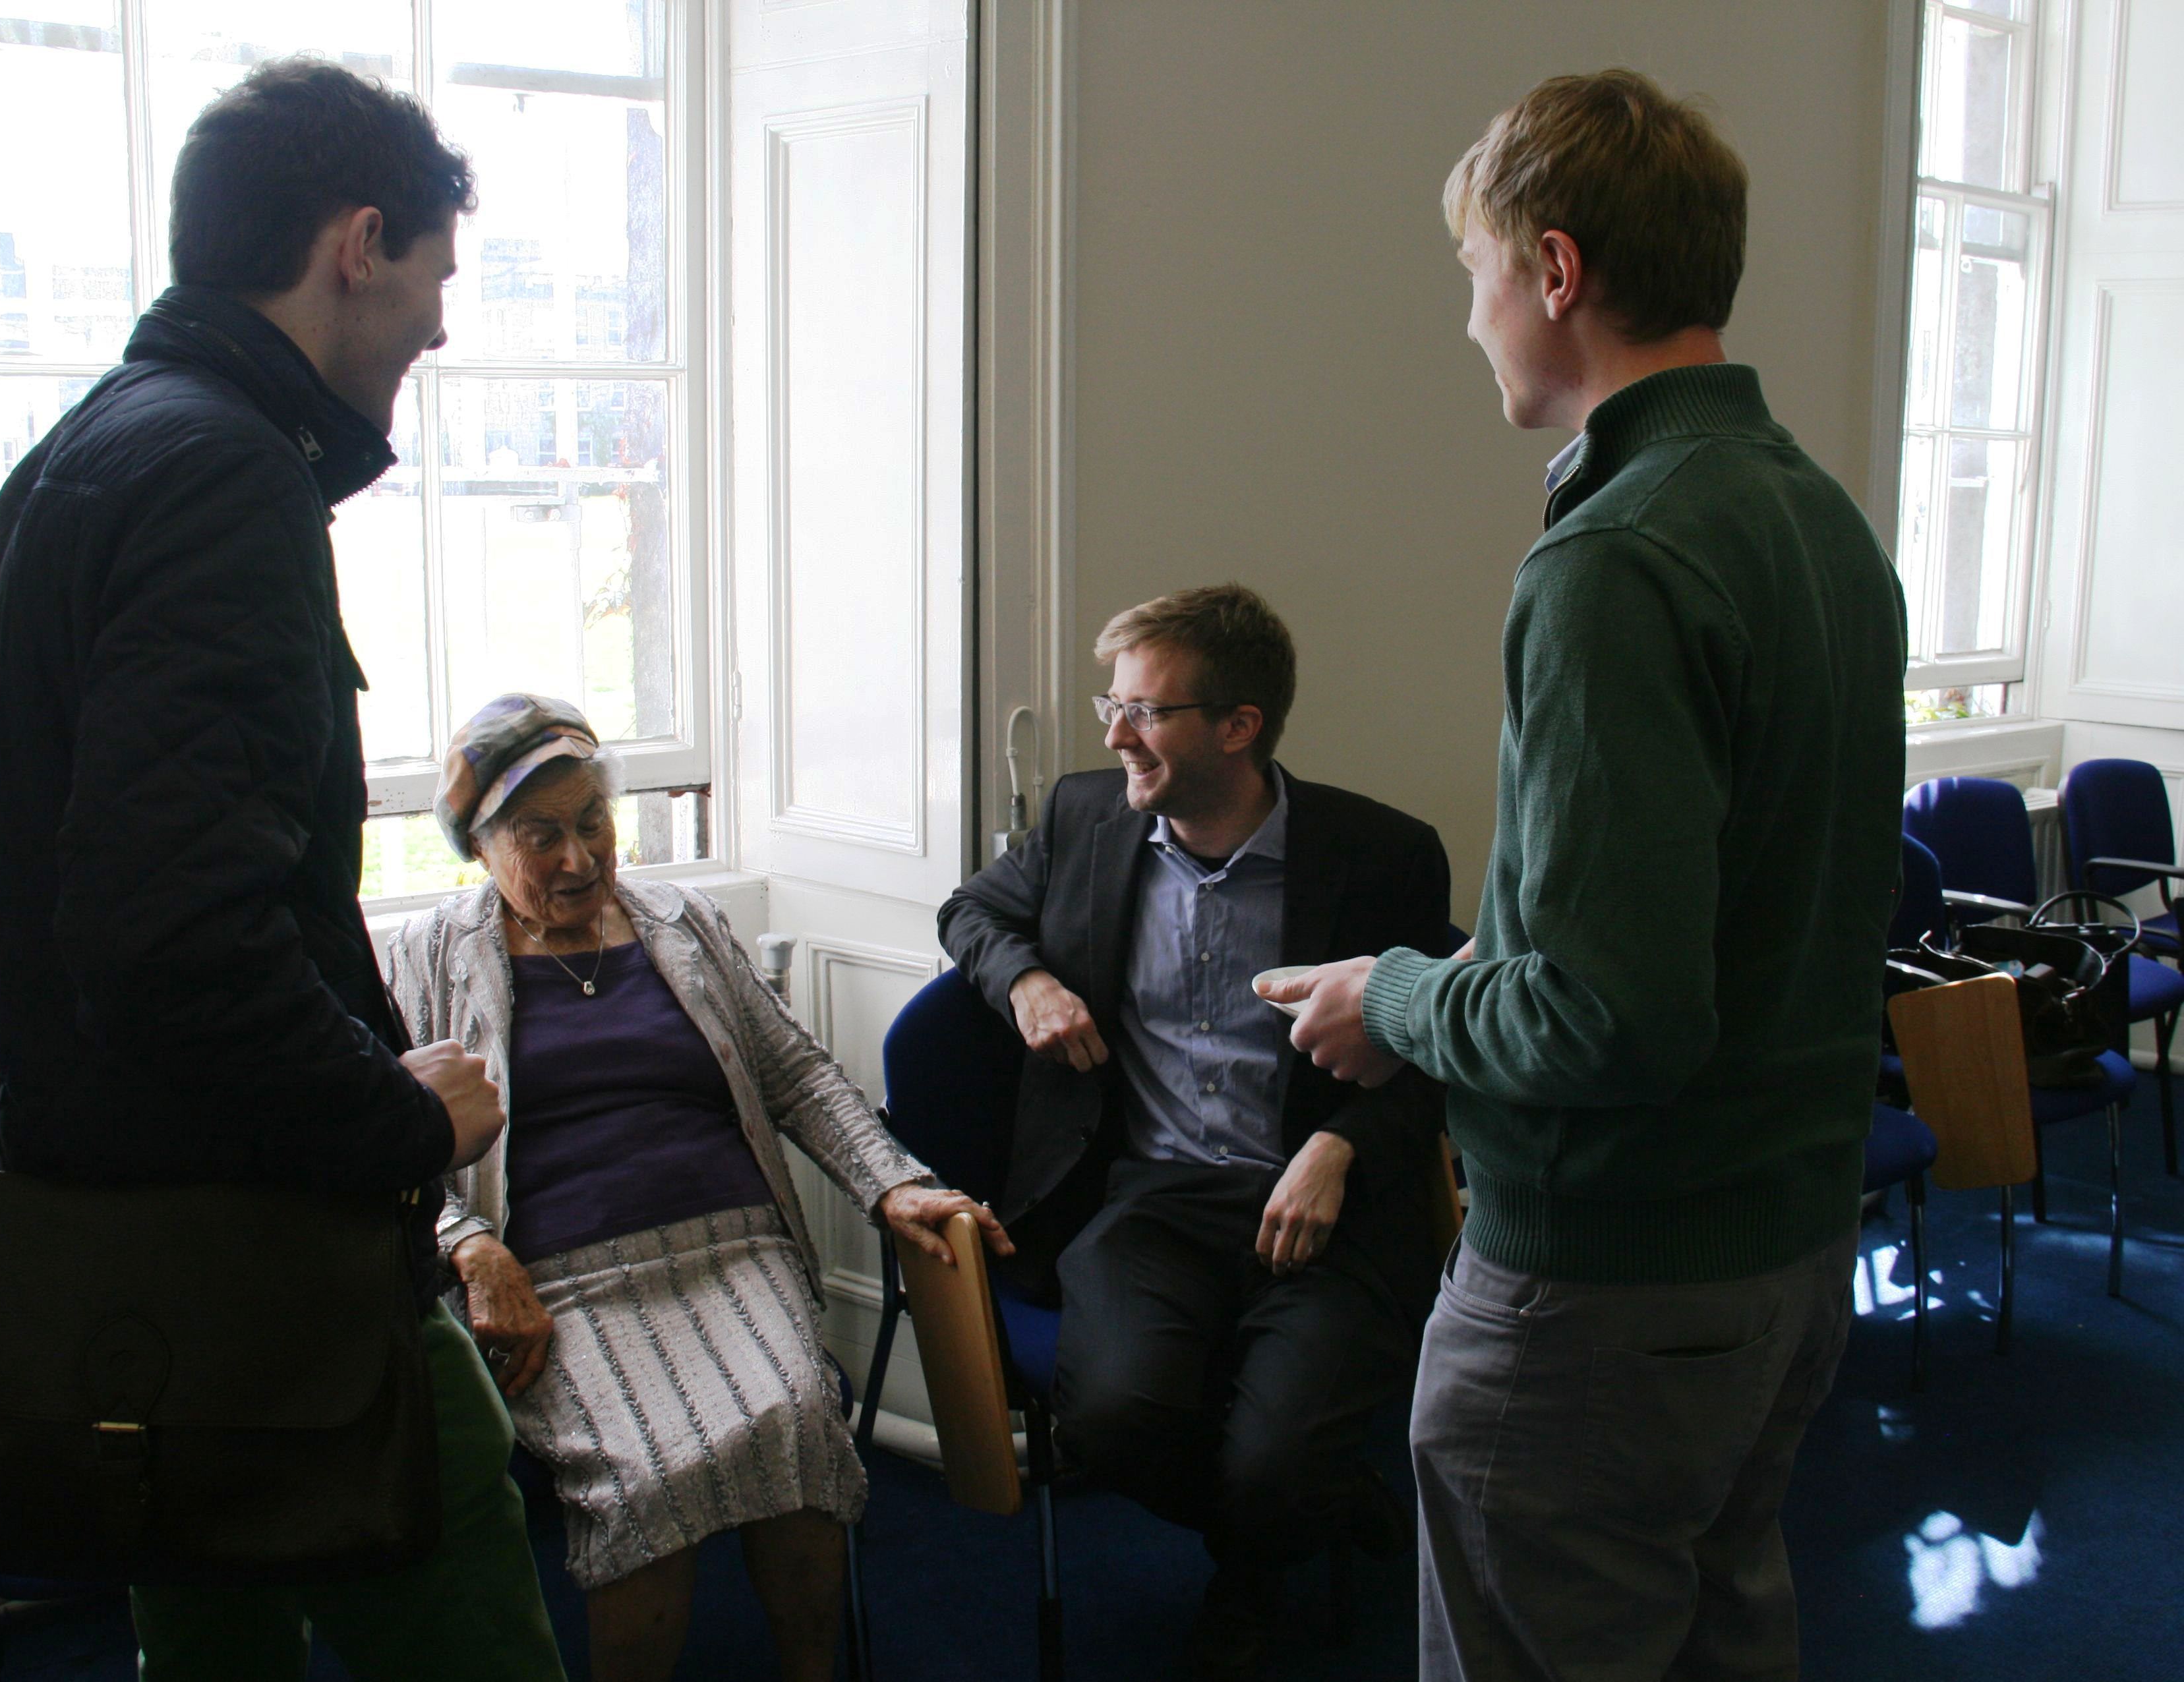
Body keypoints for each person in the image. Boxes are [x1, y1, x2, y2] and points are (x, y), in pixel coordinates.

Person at [0, 59, 571, 1681]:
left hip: (119, 1248)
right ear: (359, 242)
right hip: (275, 1249)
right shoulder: (228, 474)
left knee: (205, 1635)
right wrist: (396, 1116)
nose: (443, 330)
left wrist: (60, 997)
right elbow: (173, 926)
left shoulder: (92, 447)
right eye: (439, 278)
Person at [1273, 70, 1907, 1682]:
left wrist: (1394, 993)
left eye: (1477, 275)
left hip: (1607, 1287)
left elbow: (1608, 1018)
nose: (1472, 320)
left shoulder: (1614, 556)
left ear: (1555, 271)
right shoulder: (1821, 522)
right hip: (1783, 1251)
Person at [386, 693, 1007, 1682]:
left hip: (731, 1247)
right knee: (645, 1481)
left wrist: (893, 1186)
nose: (580, 859)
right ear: (479, 843)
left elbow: (796, 1074)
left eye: (592, 822)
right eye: (541, 836)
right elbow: (393, 1156)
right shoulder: (424, 955)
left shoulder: (685, 921)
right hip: (559, 1282)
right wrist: (469, 1246)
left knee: (800, 1421)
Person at [937, 584, 1455, 1681]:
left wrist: (1343, 1145)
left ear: (1239, 727)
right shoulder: (1085, 819)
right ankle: (1288, 1524)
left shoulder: (1383, 855)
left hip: (1322, 1198)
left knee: (1278, 1464)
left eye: (1145, 712)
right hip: (1146, 1195)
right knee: (1113, 1423)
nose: (1115, 734)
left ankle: (1254, 1571)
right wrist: (1025, 980)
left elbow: (1448, 1049)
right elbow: (969, 913)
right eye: (1110, 703)